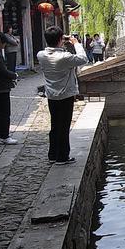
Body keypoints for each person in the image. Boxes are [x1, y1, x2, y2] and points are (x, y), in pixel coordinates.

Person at [37, 26, 88, 165]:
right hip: (65, 95)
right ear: (60, 39)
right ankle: (62, 157)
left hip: (51, 95)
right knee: (64, 126)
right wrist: (75, 43)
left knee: (54, 125)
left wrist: (60, 42)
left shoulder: (41, 55)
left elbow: (54, 49)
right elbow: (83, 59)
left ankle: (52, 154)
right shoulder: (65, 57)